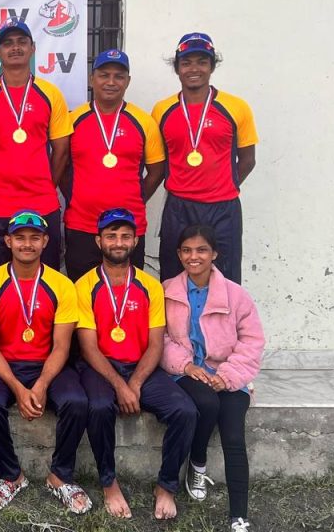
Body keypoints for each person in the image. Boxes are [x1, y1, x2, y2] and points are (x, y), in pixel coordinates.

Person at [74, 208, 196, 519]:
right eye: (111, 236)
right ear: (99, 240)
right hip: (100, 367)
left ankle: (166, 486)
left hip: (141, 366)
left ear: (135, 241)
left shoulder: (150, 285)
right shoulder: (83, 286)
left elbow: (156, 344)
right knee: (98, 407)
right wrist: (120, 385)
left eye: (125, 236)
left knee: (185, 411)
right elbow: (88, 348)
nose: (118, 242)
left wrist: (136, 383)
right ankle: (109, 483)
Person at [0, 210, 91, 513]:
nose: (27, 244)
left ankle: (60, 475)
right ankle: (10, 475)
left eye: (34, 238)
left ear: (45, 242)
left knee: (77, 401)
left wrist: (41, 384)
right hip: (3, 364)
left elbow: (62, 346)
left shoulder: (62, 285)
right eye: (20, 238)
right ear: (8, 241)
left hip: (46, 363)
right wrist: (17, 388)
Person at [160, 224, 264, 532]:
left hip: (228, 372)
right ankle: (198, 461)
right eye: (187, 250)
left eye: (202, 250)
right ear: (179, 254)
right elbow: (159, 338)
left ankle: (239, 516)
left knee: (233, 436)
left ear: (214, 254)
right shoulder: (167, 291)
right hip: (186, 371)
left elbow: (252, 341)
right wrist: (186, 366)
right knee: (206, 402)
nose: (194, 257)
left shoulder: (236, 295)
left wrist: (228, 375)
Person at [152, 33, 258, 284]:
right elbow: (159, 160)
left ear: (212, 66)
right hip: (179, 207)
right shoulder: (162, 110)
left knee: (225, 280)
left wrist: (221, 185)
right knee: (174, 280)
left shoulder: (236, 107)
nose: (194, 69)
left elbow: (248, 159)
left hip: (223, 208)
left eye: (202, 62)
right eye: (186, 63)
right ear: (177, 68)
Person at [0, 21, 71, 276]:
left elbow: (62, 149)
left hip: (41, 203)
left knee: (44, 282)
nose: (15, 48)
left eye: (21, 42)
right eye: (8, 43)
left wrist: (47, 186)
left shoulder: (51, 94)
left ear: (32, 48)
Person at [64, 49, 165, 278]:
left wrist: (136, 197)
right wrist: (76, 196)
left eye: (119, 76)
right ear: (92, 79)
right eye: (104, 75)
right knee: (81, 293)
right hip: (82, 225)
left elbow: (157, 170)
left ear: (127, 81)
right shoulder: (73, 120)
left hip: (128, 228)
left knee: (127, 293)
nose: (111, 82)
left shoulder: (144, 122)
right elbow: (62, 166)